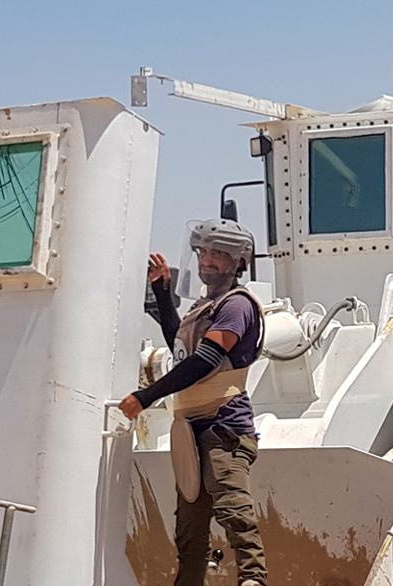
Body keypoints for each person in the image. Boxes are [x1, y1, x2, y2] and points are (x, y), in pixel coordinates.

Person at [119, 219, 267, 586]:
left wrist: (145, 396)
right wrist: (163, 292)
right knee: (189, 531)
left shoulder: (236, 306)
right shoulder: (204, 306)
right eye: (204, 252)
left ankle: (254, 579)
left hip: (223, 425)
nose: (208, 260)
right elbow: (181, 349)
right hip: (190, 428)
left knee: (232, 507)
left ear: (237, 262)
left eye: (219, 254)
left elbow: (204, 361)